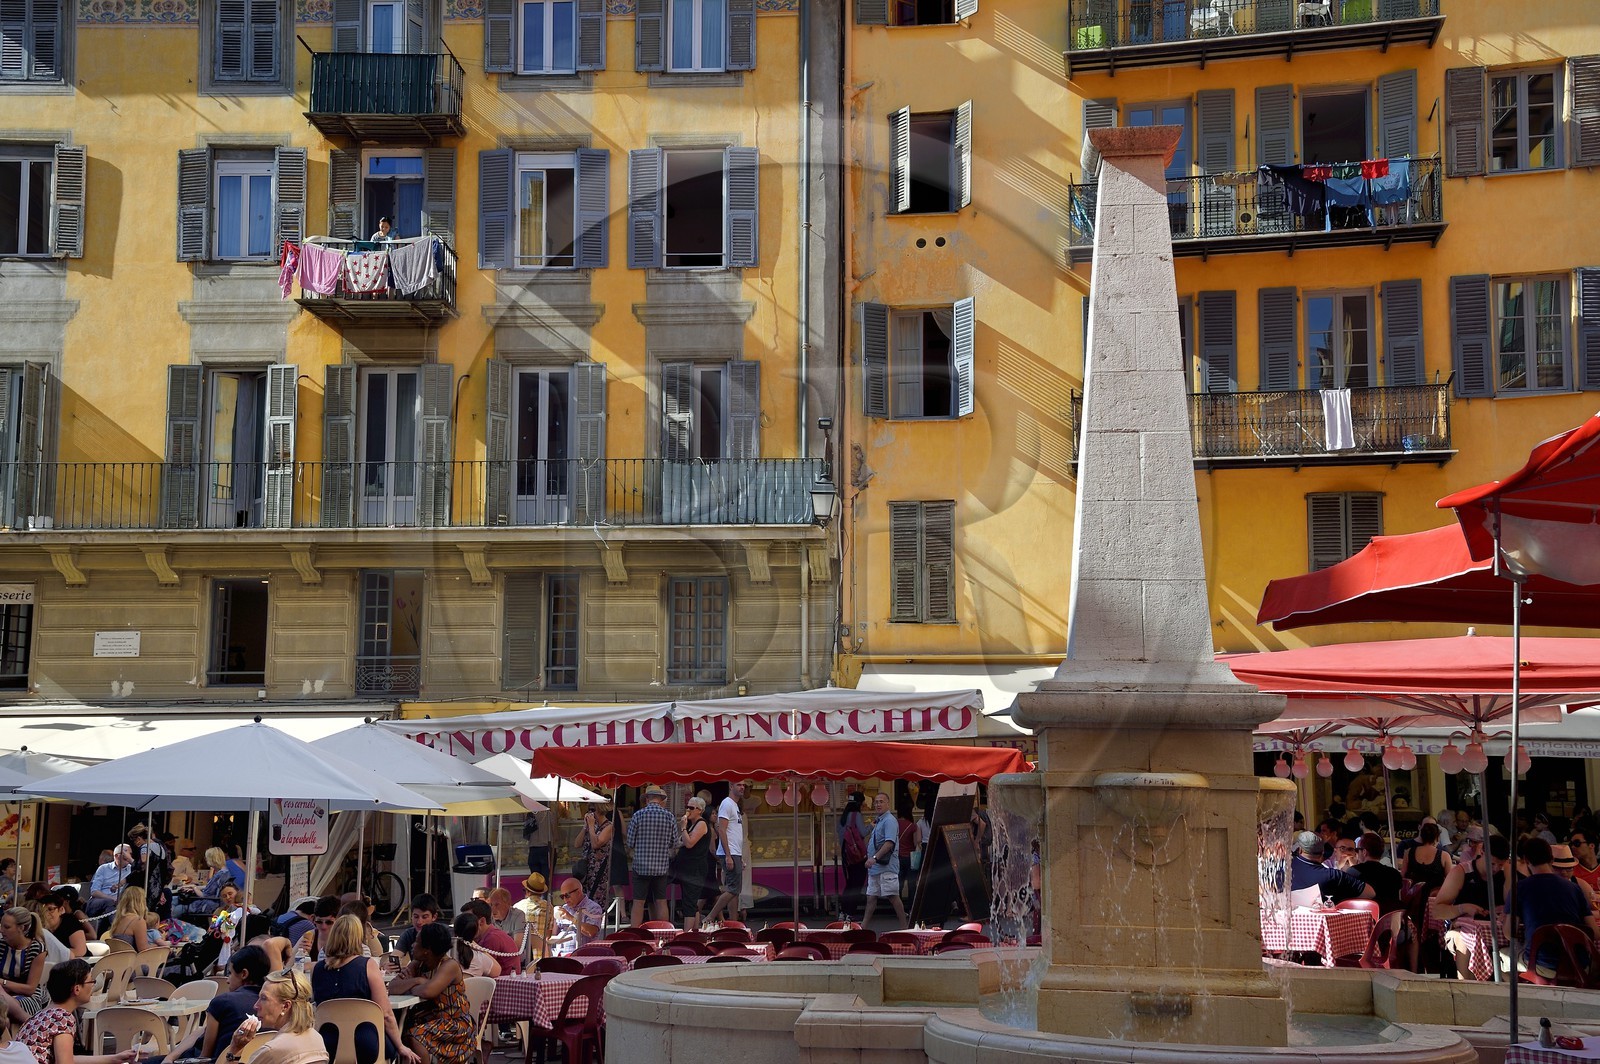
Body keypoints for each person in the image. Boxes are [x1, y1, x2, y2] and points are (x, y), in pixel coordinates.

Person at [311, 916, 414, 1064]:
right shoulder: (367, 966)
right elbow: (386, 1014)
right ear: (357, 937)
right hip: (365, 1042)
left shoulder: (317, 969)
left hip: (327, 1044)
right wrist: (400, 1046)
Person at [161, 944, 269, 1064]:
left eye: (230, 973)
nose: (227, 980)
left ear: (244, 974)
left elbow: (203, 1058)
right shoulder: (272, 1006)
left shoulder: (223, 1002)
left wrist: (169, 1058)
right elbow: (203, 1031)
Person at [16, 960, 138, 1064]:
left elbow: (67, 1058)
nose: (93, 985)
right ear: (77, 989)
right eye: (91, 981)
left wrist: (114, 1058)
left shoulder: (42, 1015)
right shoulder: (62, 1018)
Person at [387, 923, 473, 1064]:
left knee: (416, 1035)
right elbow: (393, 987)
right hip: (427, 1018)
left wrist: (411, 985)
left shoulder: (449, 965)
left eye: (417, 942)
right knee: (396, 1030)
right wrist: (418, 980)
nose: (413, 945)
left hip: (453, 1024)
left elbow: (428, 991)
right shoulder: (417, 963)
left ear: (427, 950)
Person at [1511, 837, 1594, 978]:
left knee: (1500, 957)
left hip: (1541, 966)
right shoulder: (1575, 888)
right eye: (1561, 869)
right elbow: (1594, 932)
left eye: (1569, 869)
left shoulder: (1521, 887)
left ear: (1525, 860)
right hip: (1580, 966)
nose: (1565, 873)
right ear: (1551, 861)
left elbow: (1509, 932)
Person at [217, 968, 326, 1064]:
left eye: (264, 998)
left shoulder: (273, 1051)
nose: (256, 1005)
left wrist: (235, 1049)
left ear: (285, 1006)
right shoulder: (316, 1037)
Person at [626, 785, 678, 926]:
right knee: (661, 901)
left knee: (638, 902)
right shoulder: (669, 816)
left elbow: (630, 842)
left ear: (647, 798)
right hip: (661, 867)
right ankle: (663, 933)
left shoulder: (638, 815)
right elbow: (674, 842)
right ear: (660, 799)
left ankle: (635, 933)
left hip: (641, 867)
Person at [861, 793, 908, 929]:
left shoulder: (889, 820)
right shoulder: (879, 820)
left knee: (893, 896)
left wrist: (874, 858)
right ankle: (863, 927)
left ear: (888, 804)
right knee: (871, 897)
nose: (878, 804)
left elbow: (889, 843)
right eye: (876, 802)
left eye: (881, 802)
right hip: (875, 868)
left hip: (886, 866)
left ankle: (905, 928)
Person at [703, 782, 746, 925]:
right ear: (731, 786)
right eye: (739, 784)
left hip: (735, 851)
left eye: (744, 785)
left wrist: (738, 856)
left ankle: (733, 922)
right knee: (733, 888)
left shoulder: (734, 805)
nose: (742, 787)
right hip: (730, 852)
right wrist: (728, 855)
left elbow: (733, 832)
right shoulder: (727, 804)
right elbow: (722, 829)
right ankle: (710, 917)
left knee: (733, 889)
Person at [1288, 832, 1372, 906]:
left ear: (1299, 850)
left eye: (1350, 849)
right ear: (1324, 852)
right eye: (1342, 848)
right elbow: (1370, 893)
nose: (1346, 852)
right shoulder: (1333, 875)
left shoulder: (1285, 868)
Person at [673, 797, 711, 931]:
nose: (688, 810)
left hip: (695, 869)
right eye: (687, 807)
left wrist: (683, 828)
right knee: (691, 901)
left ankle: (686, 934)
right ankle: (695, 932)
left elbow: (689, 844)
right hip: (687, 868)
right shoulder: (692, 824)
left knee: (689, 903)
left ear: (700, 810)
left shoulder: (701, 824)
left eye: (691, 808)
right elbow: (679, 842)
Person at [0, 911, 46, 1017]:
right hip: (4, 993)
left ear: (23, 928)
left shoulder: (37, 948)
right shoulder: (1, 945)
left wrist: (3, 982)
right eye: (1, 925)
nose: (1, 930)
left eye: (6, 927)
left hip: (28, 998)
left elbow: (30, 989)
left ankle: (26, 1020)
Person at [457, 901, 520, 975]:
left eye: (468, 921)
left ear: (482, 921)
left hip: (502, 984)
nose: (463, 924)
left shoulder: (492, 938)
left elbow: (483, 967)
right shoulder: (490, 934)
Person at [1348, 832, 1403, 913]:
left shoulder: (1353, 872)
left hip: (1364, 919)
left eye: (1357, 850)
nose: (1356, 853)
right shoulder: (1394, 873)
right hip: (1391, 920)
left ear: (1364, 852)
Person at [576, 802, 614, 917]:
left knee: (596, 901)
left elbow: (596, 844)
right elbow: (577, 843)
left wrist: (592, 827)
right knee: (584, 900)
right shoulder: (591, 826)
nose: (590, 813)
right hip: (586, 871)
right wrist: (585, 827)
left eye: (592, 810)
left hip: (599, 872)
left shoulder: (609, 826)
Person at [548, 880, 602, 957]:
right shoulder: (565, 908)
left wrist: (570, 918)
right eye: (562, 896)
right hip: (559, 954)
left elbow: (591, 932)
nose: (565, 899)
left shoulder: (593, 908)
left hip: (581, 954)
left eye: (567, 895)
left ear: (578, 892)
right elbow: (553, 934)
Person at [836, 794, 867, 921]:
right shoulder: (856, 815)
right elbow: (863, 832)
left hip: (846, 855)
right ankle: (850, 913)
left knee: (849, 884)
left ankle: (843, 912)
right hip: (857, 855)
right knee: (857, 884)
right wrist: (873, 825)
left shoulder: (842, 817)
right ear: (859, 803)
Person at [1400, 821, 1452, 895]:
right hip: (1434, 899)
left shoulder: (1409, 852)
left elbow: (1403, 876)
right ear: (1437, 838)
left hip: (1412, 898)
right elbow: (1450, 881)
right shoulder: (1444, 856)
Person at [513, 875, 552, 962]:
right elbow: (548, 934)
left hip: (521, 955)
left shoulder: (517, 907)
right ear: (541, 892)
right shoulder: (549, 907)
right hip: (542, 956)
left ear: (528, 891)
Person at [106, 887, 158, 954]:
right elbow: (143, 949)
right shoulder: (138, 921)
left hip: (118, 959)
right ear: (140, 902)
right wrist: (158, 945)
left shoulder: (119, 919)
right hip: (133, 961)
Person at [86, 846, 132, 918]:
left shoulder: (131, 869)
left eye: (130, 854)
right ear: (116, 856)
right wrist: (112, 898)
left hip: (120, 904)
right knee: (110, 903)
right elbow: (94, 892)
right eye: (125, 854)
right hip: (99, 901)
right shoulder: (103, 868)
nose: (128, 856)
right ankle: (117, 927)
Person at [448, 914, 499, 979]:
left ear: (454, 929)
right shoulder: (480, 958)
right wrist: (479, 948)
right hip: (474, 989)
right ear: (476, 932)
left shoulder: (443, 953)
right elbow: (497, 971)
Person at [292, 897, 342, 963]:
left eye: (329, 922)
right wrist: (300, 953)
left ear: (339, 921)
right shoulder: (311, 936)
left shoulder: (343, 939)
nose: (324, 927)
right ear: (313, 919)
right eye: (319, 922)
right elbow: (289, 965)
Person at [394, 895, 441, 960]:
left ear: (434, 917)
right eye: (416, 917)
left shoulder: (442, 934)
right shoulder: (408, 934)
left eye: (424, 917)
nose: (419, 922)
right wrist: (390, 964)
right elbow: (395, 955)